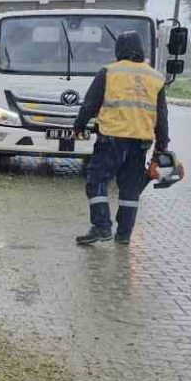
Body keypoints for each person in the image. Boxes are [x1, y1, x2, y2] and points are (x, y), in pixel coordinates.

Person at [71, 30, 169, 245]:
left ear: (119, 50)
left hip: (111, 139)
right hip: (141, 143)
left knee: (96, 179)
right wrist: (161, 147)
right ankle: (124, 234)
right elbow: (161, 117)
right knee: (130, 188)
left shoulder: (109, 72)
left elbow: (90, 104)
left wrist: (79, 126)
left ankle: (101, 227)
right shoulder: (155, 77)